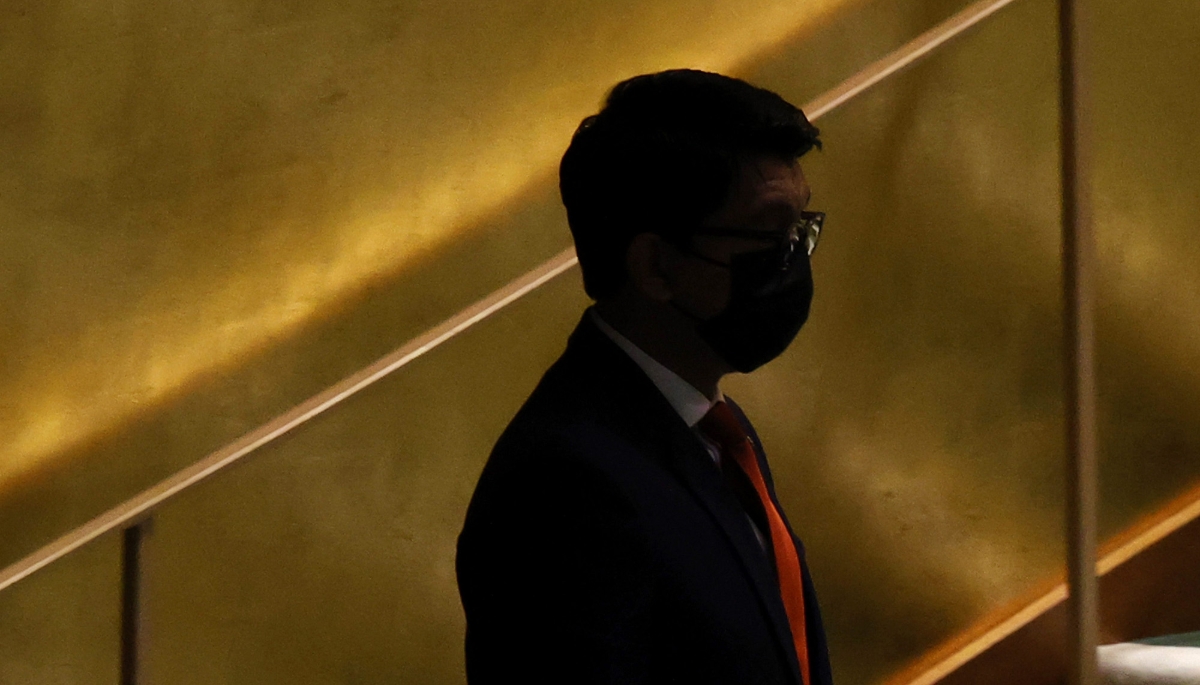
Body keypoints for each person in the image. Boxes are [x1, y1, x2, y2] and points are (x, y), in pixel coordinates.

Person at [456, 69, 832, 685]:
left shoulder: (710, 433)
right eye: (769, 235)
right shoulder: (563, 484)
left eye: (801, 232)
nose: (793, 261)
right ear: (655, 265)